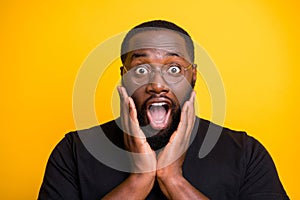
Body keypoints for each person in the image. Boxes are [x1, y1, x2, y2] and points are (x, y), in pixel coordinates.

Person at [38, 20, 289, 200]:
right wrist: (139, 180)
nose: (157, 85)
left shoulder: (245, 154)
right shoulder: (74, 151)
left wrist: (173, 180)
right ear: (123, 77)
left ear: (194, 77)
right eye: (141, 69)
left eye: (174, 69)